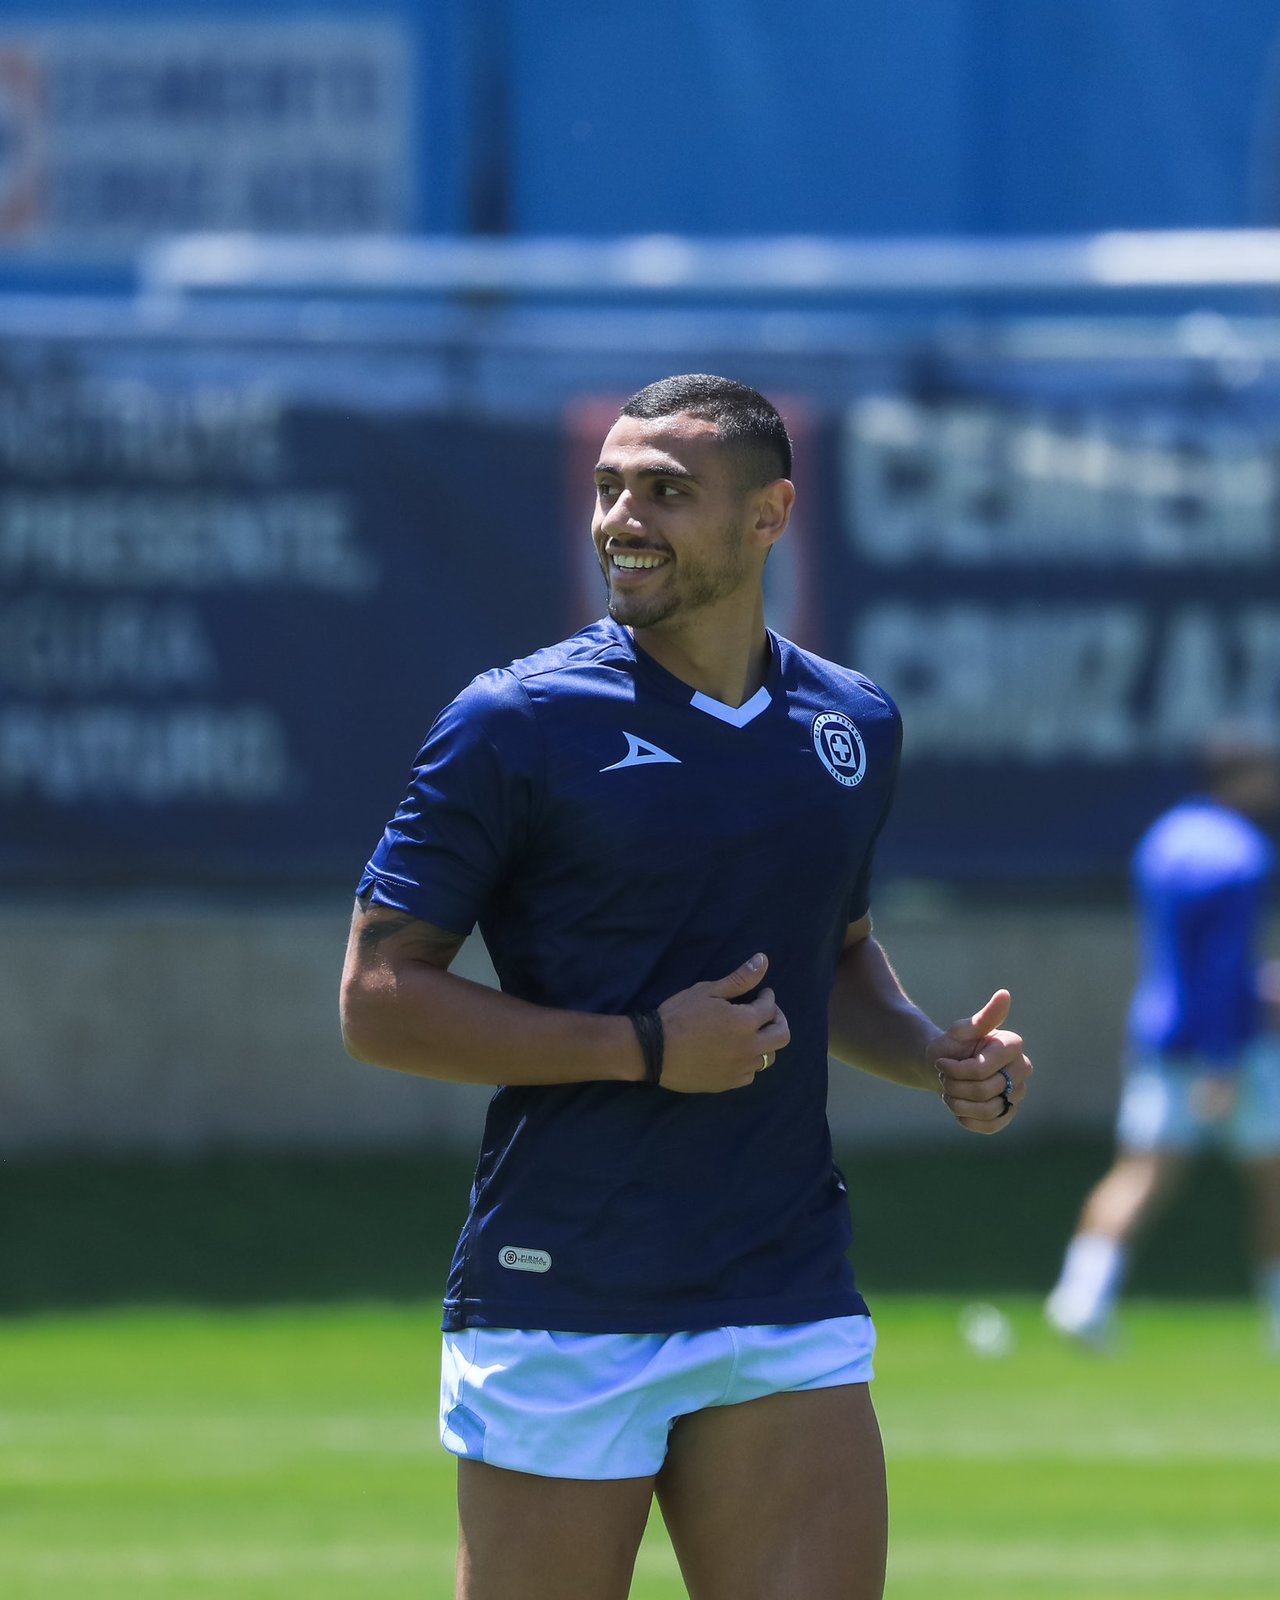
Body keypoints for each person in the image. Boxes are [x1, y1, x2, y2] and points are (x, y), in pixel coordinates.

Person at [340, 373, 1033, 1600]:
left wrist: (932, 1055)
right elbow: (378, 997)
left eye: (664, 491)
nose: (621, 518)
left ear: (769, 516)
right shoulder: (514, 722)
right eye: (608, 487)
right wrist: (642, 1047)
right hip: (564, 1286)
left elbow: (833, 955)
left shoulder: (851, 723)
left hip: (782, 1278)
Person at [1045, 730, 1280, 1353]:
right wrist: (1222, 1059)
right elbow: (1221, 964)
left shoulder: (1164, 839)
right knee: (1274, 1178)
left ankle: (1080, 1297)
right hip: (1231, 1046)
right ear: (1240, 776)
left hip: (1160, 1034)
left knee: (1141, 1172)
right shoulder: (1244, 853)